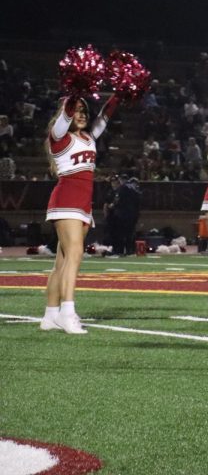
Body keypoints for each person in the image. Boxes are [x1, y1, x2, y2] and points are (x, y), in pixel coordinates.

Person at [40, 94, 118, 335]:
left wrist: (120, 93)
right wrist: (75, 93)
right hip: (67, 200)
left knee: (62, 262)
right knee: (75, 254)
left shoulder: (88, 137)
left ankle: (50, 315)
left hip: (83, 204)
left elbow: (105, 116)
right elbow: (65, 114)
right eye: (77, 110)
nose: (82, 114)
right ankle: (67, 312)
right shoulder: (59, 136)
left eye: (85, 110)